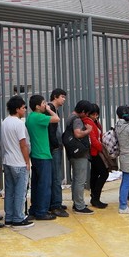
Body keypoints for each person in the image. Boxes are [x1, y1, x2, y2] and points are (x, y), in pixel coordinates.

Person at [0, 96, 35, 227]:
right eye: (23, 107)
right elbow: (23, 144)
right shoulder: (19, 123)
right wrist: (27, 162)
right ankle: (18, 218)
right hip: (19, 162)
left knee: (9, 191)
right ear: (17, 109)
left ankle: (9, 217)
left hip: (8, 161)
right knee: (20, 192)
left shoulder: (5, 122)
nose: (25, 109)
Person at [26, 94, 60, 219]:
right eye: (43, 103)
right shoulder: (39, 117)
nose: (45, 105)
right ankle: (42, 211)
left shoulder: (30, 117)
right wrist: (50, 109)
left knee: (36, 184)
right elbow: (56, 119)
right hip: (43, 154)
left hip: (35, 154)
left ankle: (34, 209)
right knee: (45, 185)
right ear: (37, 106)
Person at [67, 100, 94, 214]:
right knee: (80, 179)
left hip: (73, 152)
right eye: (87, 113)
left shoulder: (70, 117)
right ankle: (79, 205)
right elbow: (78, 133)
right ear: (82, 111)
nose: (87, 115)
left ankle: (76, 202)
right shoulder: (77, 120)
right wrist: (88, 130)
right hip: (79, 153)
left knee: (76, 178)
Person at [46, 88, 69, 217]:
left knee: (56, 176)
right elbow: (51, 130)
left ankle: (55, 202)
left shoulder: (53, 109)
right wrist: (55, 145)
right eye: (62, 97)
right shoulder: (50, 109)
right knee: (56, 177)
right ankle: (55, 205)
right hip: (54, 148)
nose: (64, 99)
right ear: (55, 96)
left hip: (54, 147)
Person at [85, 103, 109, 209]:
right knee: (104, 173)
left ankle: (94, 197)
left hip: (96, 151)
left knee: (95, 173)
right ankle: (95, 197)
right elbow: (93, 140)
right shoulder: (88, 122)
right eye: (93, 115)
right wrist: (102, 148)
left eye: (96, 115)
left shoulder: (94, 122)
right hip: (95, 152)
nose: (95, 117)